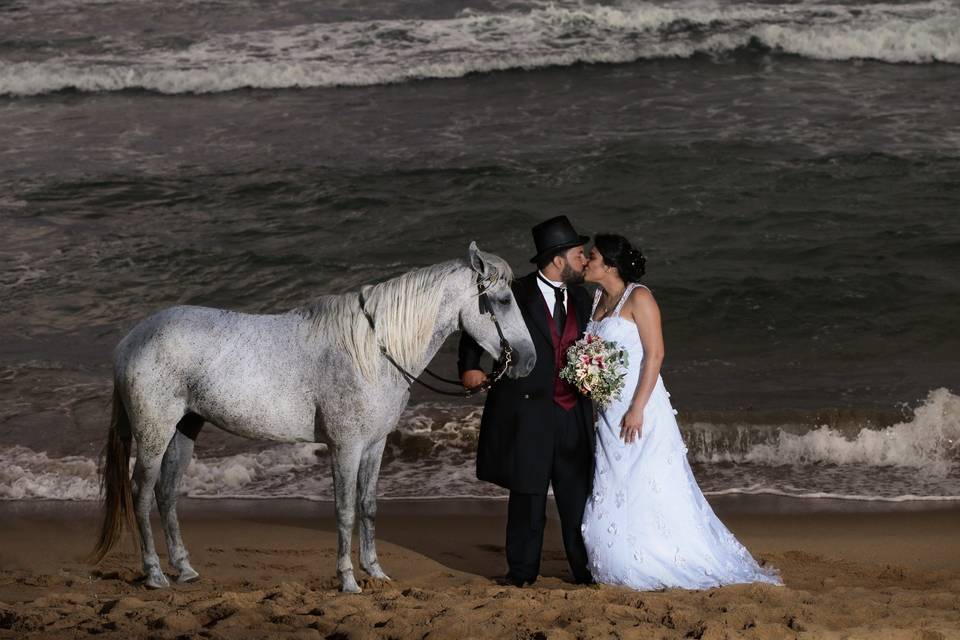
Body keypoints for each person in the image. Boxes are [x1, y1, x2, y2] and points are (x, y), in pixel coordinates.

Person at [580, 233, 781, 589]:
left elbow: (655, 354)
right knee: (613, 481)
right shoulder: (596, 298)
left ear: (609, 265)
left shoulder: (639, 297)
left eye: (591, 256)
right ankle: (617, 555)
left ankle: (659, 557)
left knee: (649, 482)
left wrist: (637, 408)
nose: (585, 260)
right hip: (609, 410)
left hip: (639, 409)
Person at [459, 215, 595, 587]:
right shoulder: (514, 293)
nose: (585, 260)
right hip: (526, 412)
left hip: (573, 412)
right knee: (528, 496)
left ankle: (585, 571)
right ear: (557, 260)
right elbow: (476, 327)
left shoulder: (582, 297)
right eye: (579, 254)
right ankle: (521, 574)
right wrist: (469, 367)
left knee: (577, 498)